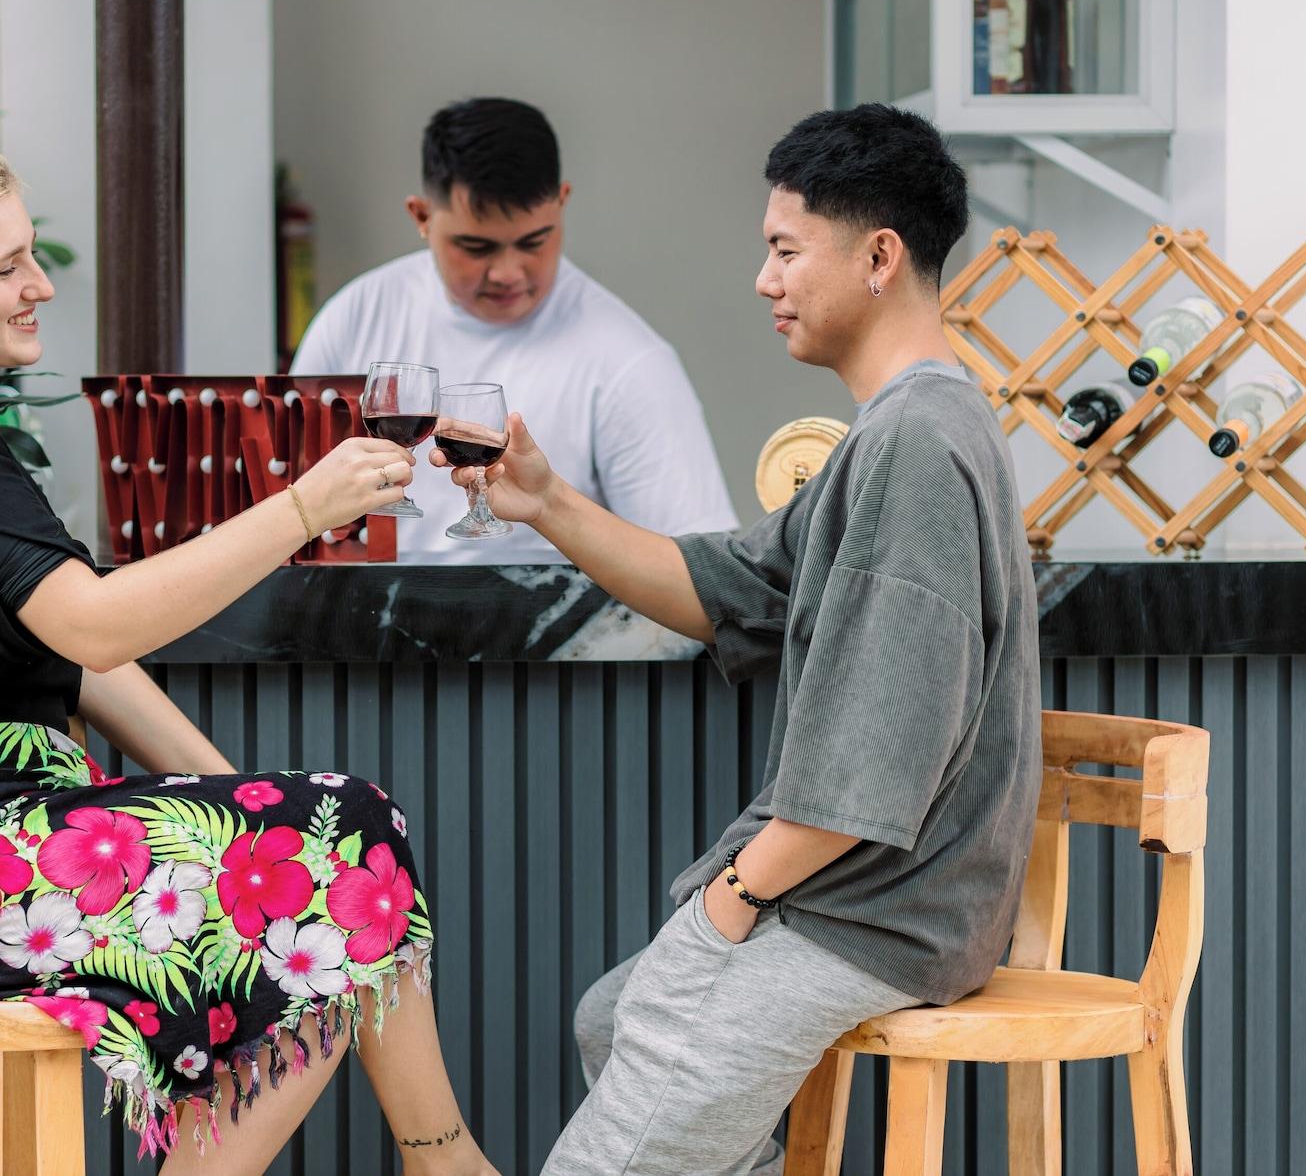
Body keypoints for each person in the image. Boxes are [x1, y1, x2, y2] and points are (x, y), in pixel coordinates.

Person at [0, 144, 497, 1174]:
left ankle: (439, 1160)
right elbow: (101, 628)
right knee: (343, 844)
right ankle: (446, 1159)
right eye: (9, 265)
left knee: (327, 860)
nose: (41, 284)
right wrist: (299, 508)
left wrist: (237, 796)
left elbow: (82, 667)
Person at [433, 105, 1041, 1175]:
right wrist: (548, 502)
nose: (762, 279)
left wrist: (729, 901)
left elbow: (876, 757)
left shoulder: (912, 446)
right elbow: (729, 589)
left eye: (782, 249)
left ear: (878, 257)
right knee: (609, 1017)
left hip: (870, 914)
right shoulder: (900, 431)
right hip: (876, 901)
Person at [290, 96, 738, 562]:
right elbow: (287, 505)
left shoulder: (630, 361)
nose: (508, 272)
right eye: (476, 246)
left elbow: (696, 570)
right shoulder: (354, 318)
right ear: (421, 216)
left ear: (562, 204)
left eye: (533, 242)